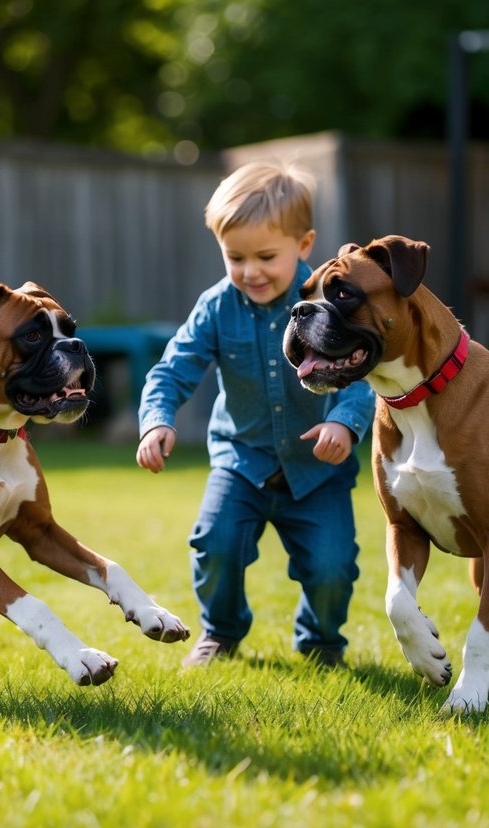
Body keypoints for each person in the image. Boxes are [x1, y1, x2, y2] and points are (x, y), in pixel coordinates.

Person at [135, 159, 375, 668]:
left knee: (332, 566)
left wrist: (344, 422)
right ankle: (221, 631)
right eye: (235, 257)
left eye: (266, 256)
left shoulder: (331, 304)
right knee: (215, 545)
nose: (250, 271)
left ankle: (321, 640)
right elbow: (172, 370)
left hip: (317, 468)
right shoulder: (216, 307)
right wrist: (157, 420)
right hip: (241, 462)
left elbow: (364, 373)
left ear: (304, 245)